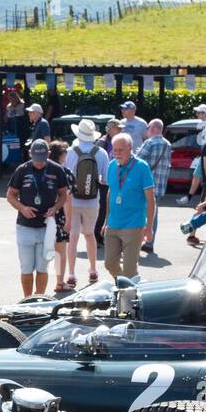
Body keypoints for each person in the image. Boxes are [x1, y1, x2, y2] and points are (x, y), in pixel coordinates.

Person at [6, 138, 70, 297]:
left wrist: (55, 208)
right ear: (30, 154)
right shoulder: (22, 170)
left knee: (43, 266)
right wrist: (22, 208)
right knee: (26, 267)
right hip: (24, 226)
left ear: (48, 154)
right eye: (36, 159)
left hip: (46, 227)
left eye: (42, 159)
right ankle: (27, 299)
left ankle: (39, 297)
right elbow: (10, 195)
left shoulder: (57, 170)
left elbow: (64, 195)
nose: (39, 163)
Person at [102, 133, 155, 281]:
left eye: (121, 150)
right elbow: (110, 194)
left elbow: (151, 200)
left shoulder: (142, 167)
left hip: (134, 225)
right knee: (109, 263)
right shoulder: (112, 165)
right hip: (113, 224)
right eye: (115, 150)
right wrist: (106, 221)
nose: (117, 153)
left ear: (130, 148)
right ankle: (127, 285)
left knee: (130, 270)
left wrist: (149, 227)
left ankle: (129, 297)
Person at [63, 117, 107, 283]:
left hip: (73, 200)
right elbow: (105, 179)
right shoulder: (101, 153)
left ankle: (72, 274)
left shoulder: (70, 152)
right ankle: (93, 270)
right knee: (89, 235)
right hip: (92, 200)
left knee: (73, 237)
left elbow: (65, 178)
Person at [136, 118, 172, 255]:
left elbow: (137, 161)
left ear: (153, 128)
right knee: (153, 215)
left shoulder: (149, 142)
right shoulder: (167, 144)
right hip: (160, 185)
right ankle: (150, 242)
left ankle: (136, 242)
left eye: (147, 128)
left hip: (145, 186)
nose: (146, 131)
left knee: (139, 213)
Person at [47, 140, 72, 290]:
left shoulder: (44, 169)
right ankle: (59, 282)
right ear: (62, 155)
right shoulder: (66, 172)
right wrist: (69, 220)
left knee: (43, 249)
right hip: (60, 214)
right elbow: (68, 199)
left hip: (44, 214)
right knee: (60, 250)